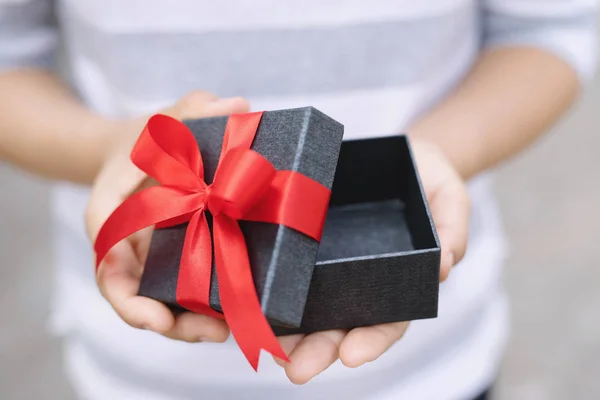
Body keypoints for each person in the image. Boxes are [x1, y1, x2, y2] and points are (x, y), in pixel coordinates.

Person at [0, 1, 597, 399]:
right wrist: (108, 148)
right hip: (141, 368)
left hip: (430, 369)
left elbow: (546, 28)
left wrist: (436, 153)